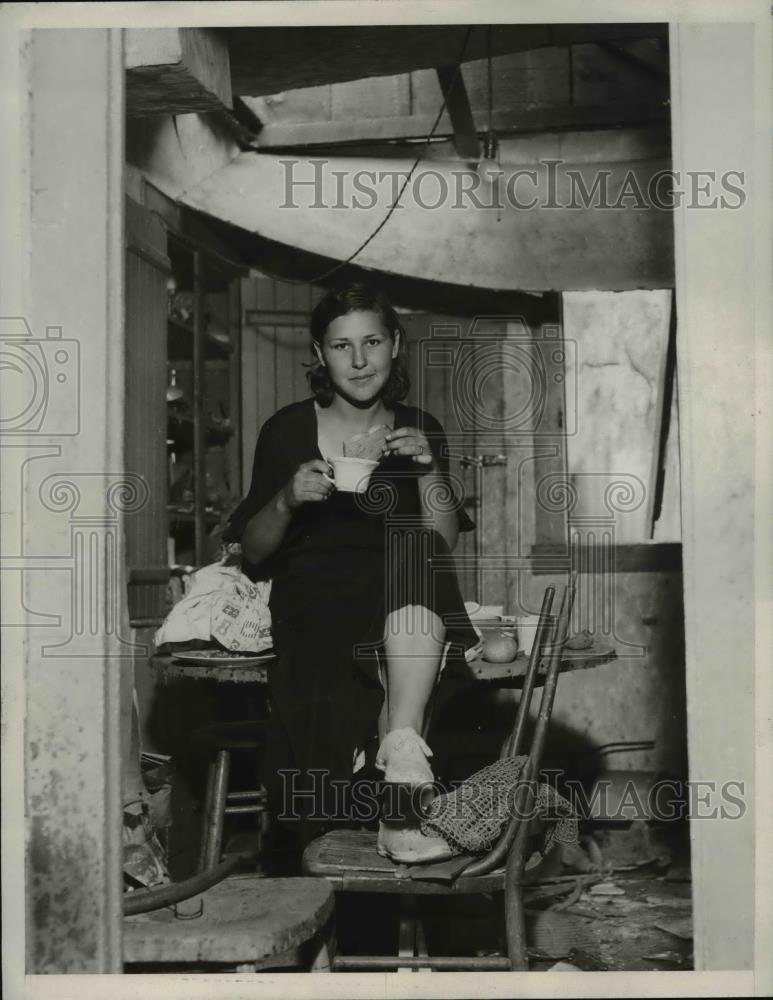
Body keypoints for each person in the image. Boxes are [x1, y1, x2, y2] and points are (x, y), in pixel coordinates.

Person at [223, 283, 478, 863]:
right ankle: (403, 805)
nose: (359, 361)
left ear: (395, 345)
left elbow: (442, 540)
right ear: (319, 353)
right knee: (403, 602)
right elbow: (256, 551)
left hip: (400, 593)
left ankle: (402, 765)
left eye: (371, 342)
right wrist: (287, 499)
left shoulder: (419, 426)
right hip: (315, 601)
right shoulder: (287, 429)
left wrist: (429, 467)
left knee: (415, 551)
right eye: (342, 346)